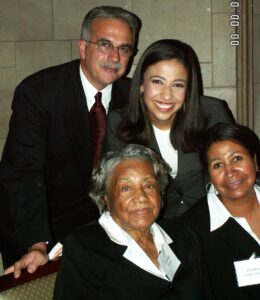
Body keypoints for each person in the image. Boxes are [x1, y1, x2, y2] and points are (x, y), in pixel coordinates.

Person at [0, 5, 141, 276]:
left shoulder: (134, 96)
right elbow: (23, 176)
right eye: (104, 44)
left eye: (124, 49)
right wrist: (38, 244)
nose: (115, 57)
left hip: (98, 228)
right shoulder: (39, 94)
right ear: (82, 47)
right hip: (39, 223)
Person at [53, 144, 210, 300]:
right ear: (106, 197)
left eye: (149, 185)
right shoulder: (85, 247)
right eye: (126, 188)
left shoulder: (183, 236)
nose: (141, 197)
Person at [104, 39, 235, 219]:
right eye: (158, 82)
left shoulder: (213, 113)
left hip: (212, 218)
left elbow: (236, 172)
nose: (167, 95)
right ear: (141, 84)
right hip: (153, 224)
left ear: (188, 89)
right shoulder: (118, 122)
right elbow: (114, 187)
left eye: (178, 85)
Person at [181, 122, 260, 300]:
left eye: (237, 158)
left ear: (255, 162)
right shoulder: (191, 231)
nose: (230, 172)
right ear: (208, 174)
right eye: (218, 165)